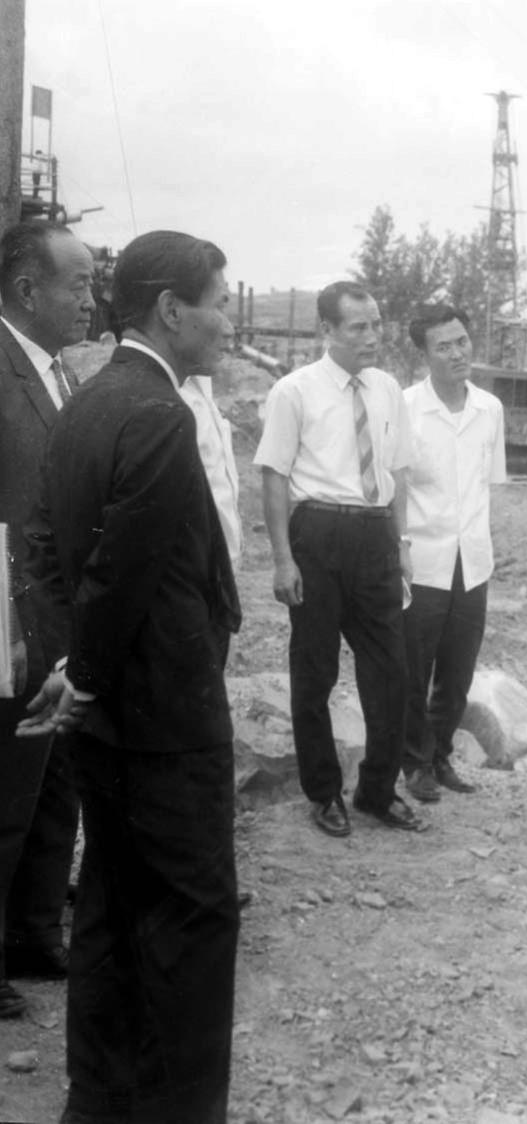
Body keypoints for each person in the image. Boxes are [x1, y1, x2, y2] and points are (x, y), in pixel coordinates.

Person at [20, 229, 243, 1122]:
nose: (228, 321)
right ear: (171, 309)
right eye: (221, 302)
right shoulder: (157, 412)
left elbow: (44, 551)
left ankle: (100, 1101)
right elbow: (125, 572)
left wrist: (68, 665)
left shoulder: (84, 400)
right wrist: (91, 672)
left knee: (111, 912)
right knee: (196, 920)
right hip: (163, 721)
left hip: (105, 721)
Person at [254, 281, 419, 837]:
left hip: (375, 538)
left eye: (377, 324)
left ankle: (377, 789)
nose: (373, 336)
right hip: (318, 535)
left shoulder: (388, 389)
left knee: (392, 672)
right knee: (315, 670)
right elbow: (274, 476)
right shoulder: (293, 392)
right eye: (359, 327)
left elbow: (396, 472)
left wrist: (401, 546)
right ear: (328, 330)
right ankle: (324, 792)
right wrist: (282, 559)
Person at [0, 220, 92, 1019]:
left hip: (60, 620)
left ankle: (32, 932)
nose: (91, 301)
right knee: (4, 791)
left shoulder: (62, 374)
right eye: (79, 285)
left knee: (52, 785)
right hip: (10, 622)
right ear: (28, 290)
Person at [400, 304, 506, 804]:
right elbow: (393, 489)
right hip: (422, 561)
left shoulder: (490, 410)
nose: (458, 352)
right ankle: (414, 763)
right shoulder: (404, 410)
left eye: (462, 340)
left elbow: (489, 487)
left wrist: (482, 550)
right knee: (414, 669)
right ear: (423, 354)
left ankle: (440, 756)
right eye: (443, 345)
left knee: (458, 671)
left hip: (473, 562)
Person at [178, 359, 242, 566]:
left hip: (220, 562)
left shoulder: (201, 386)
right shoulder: (170, 393)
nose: (228, 332)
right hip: (192, 565)